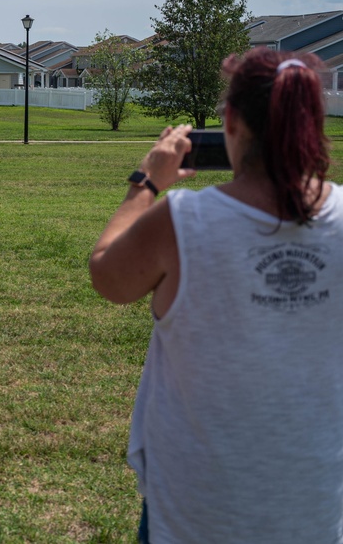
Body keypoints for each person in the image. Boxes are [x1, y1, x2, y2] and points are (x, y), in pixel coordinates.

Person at [88, 48, 342, 543]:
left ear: (230, 120)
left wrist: (145, 184)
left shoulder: (184, 220)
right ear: (313, 121)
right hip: (317, 498)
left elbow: (108, 276)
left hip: (196, 506)